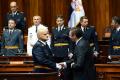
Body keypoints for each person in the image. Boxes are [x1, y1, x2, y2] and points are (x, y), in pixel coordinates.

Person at [51, 15, 73, 80]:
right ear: (56, 22)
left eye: (60, 21)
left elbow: (71, 42)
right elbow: (52, 42)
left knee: (66, 70)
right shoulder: (54, 29)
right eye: (58, 21)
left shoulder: (68, 29)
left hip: (65, 52)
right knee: (57, 69)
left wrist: (71, 51)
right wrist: (52, 51)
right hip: (56, 52)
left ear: (63, 21)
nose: (59, 22)